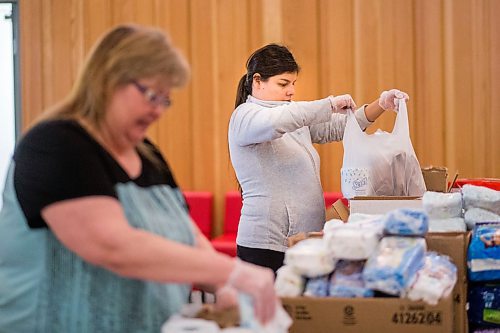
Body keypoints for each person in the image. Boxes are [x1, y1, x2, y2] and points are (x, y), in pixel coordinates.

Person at [0, 24, 277, 332]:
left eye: (165, 99)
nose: (158, 110)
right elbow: (112, 245)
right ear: (108, 80)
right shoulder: (56, 144)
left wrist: (223, 288)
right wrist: (234, 273)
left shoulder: (146, 154)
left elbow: (187, 236)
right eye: (151, 95)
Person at [228, 43, 409, 273]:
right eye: (283, 84)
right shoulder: (245, 117)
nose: (291, 91)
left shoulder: (291, 114)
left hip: (302, 241)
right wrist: (329, 104)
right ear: (257, 81)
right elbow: (279, 121)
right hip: (267, 246)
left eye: (293, 84)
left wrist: (380, 105)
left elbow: (339, 127)